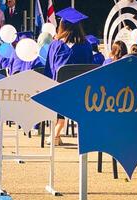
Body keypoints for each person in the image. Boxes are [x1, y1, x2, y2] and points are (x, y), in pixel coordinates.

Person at [44, 7, 93, 145]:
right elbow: (90, 69)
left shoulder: (55, 45)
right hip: (82, 93)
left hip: (59, 92)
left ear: (62, 26)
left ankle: (56, 134)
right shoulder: (86, 46)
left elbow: (49, 69)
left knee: (57, 89)